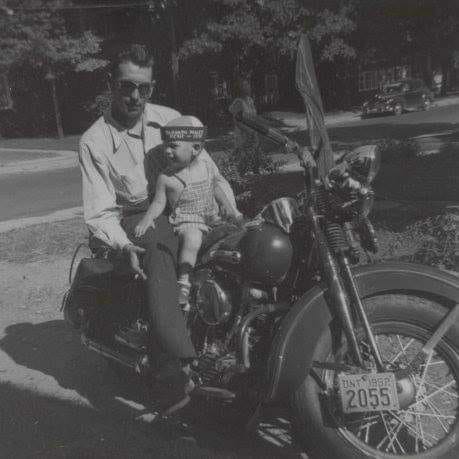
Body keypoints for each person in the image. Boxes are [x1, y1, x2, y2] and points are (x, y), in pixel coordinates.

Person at [78, 44, 237, 403]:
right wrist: (124, 245)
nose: (135, 97)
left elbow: (210, 171)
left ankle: (229, 335)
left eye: (144, 88)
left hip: (186, 210)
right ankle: (177, 364)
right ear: (111, 84)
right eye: (126, 86)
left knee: (236, 249)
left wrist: (231, 208)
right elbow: (100, 212)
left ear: (153, 87)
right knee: (163, 245)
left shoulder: (172, 119)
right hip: (134, 219)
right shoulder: (94, 141)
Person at [134, 115, 242, 308]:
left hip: (211, 216)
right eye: (165, 145)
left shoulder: (206, 167)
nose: (166, 151)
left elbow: (216, 187)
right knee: (192, 239)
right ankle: (184, 281)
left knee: (237, 235)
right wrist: (147, 218)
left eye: (173, 146)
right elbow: (159, 203)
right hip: (188, 220)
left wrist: (229, 208)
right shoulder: (166, 178)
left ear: (196, 149)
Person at [228, 78, 261, 174]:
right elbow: (236, 121)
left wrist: (257, 129)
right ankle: (239, 178)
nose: (248, 87)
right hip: (243, 133)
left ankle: (257, 176)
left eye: (248, 84)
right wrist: (249, 131)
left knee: (255, 154)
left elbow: (254, 116)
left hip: (253, 131)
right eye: (245, 85)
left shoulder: (250, 100)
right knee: (244, 157)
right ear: (240, 88)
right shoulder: (238, 102)